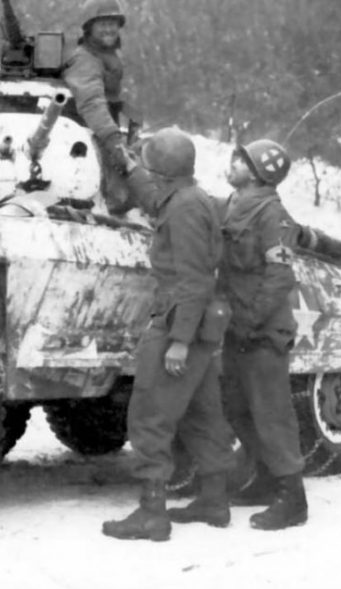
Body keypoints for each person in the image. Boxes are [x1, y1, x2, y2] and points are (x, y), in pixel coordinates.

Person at [102, 128, 235, 542]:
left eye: (151, 167)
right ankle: (215, 501)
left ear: (165, 173)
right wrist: (129, 167)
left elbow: (195, 279)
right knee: (201, 413)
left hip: (182, 322)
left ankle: (152, 513)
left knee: (150, 415)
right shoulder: (188, 197)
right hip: (200, 325)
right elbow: (157, 193)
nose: (149, 175)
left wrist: (178, 340)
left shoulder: (183, 211)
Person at [218, 138, 308, 530]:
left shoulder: (274, 215)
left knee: (272, 414)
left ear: (258, 172)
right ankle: (266, 479)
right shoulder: (233, 204)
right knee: (239, 408)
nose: (232, 162)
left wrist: (251, 321)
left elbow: (280, 276)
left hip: (263, 331)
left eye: (241, 160)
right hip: (238, 328)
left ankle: (293, 499)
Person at [62, 0, 137, 214]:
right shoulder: (85, 59)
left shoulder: (107, 55)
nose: (109, 29)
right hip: (84, 139)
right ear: (89, 28)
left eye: (113, 23)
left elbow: (107, 95)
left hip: (100, 131)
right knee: (116, 199)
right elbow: (92, 103)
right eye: (102, 24)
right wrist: (114, 140)